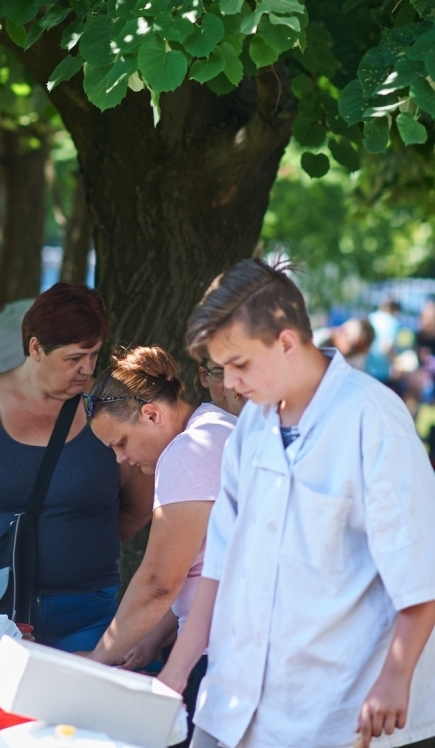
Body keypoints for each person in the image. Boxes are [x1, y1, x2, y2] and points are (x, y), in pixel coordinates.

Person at [160, 259, 435, 748]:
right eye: (221, 368)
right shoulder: (250, 427)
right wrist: (175, 675)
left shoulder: (372, 418)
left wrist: (396, 677)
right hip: (233, 703)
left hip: (337, 711)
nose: (229, 383)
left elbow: (421, 567)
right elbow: (220, 565)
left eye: (240, 365)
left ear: (286, 341)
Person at [0, 282, 154, 651]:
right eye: (74, 358)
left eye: (94, 355)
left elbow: (140, 506)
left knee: (72, 709)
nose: (87, 369)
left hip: (85, 608)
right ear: (35, 348)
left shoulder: (110, 408)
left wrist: (78, 545)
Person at [85, 346, 238, 745]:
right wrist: (152, 637)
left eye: (121, 442)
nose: (121, 459)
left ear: (152, 414)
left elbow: (160, 580)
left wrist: (96, 661)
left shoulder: (189, 451)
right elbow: (203, 566)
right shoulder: (218, 430)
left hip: (223, 657)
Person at [367, 298, 401, 382]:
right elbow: (387, 348)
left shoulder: (370, 317)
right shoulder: (394, 323)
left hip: (365, 368)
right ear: (395, 310)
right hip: (381, 372)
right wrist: (397, 363)